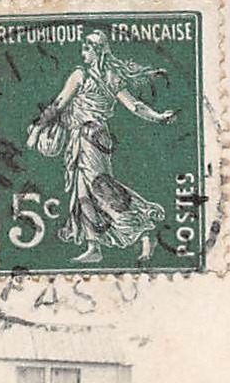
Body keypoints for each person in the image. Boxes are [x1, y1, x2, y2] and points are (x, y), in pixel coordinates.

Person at [26, 29, 174, 263]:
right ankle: (94, 246)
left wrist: (36, 130)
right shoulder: (104, 76)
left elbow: (58, 104)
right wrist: (158, 117)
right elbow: (134, 106)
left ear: (97, 52)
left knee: (99, 188)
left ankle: (143, 229)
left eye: (87, 48)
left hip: (90, 139)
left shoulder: (83, 75)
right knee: (83, 192)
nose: (83, 52)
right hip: (87, 138)